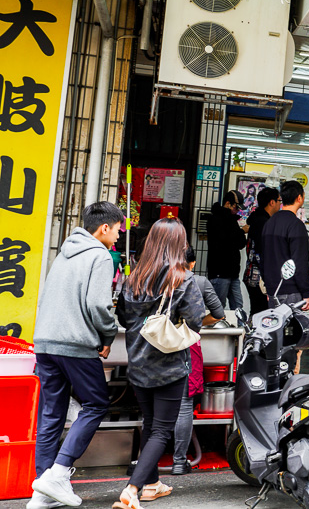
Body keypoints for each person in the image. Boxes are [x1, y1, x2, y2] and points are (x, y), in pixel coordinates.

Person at [30, 202, 123, 509]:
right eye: (118, 229)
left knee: (51, 414)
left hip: (45, 343)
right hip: (75, 344)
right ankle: (57, 475)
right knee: (96, 404)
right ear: (105, 228)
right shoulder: (100, 255)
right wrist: (108, 334)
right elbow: (98, 305)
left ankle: (42, 492)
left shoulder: (64, 252)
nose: (119, 236)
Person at [114, 218, 205, 509]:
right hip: (169, 365)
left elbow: (122, 317)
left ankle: (152, 485)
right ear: (179, 244)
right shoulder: (182, 278)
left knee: (151, 424)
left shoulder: (134, 277)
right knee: (162, 430)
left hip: (138, 362)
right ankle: (132, 489)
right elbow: (196, 320)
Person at [171, 245, 225, 476]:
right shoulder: (200, 282)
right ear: (192, 263)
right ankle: (178, 461)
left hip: (157, 346)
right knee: (184, 404)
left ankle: (148, 459)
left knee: (156, 403)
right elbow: (219, 313)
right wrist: (196, 324)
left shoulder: (157, 278)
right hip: (186, 344)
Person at [261, 180, 309, 311]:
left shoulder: (269, 223)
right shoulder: (296, 225)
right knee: (292, 324)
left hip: (273, 290)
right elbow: (299, 262)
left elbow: (263, 257)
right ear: (299, 198)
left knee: (275, 323)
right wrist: (306, 293)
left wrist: (269, 288)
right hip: (291, 291)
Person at [206, 189, 247, 310]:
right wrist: (242, 231)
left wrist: (239, 233)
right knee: (218, 308)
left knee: (238, 307)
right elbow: (231, 241)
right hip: (220, 272)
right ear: (228, 203)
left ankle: (237, 323)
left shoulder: (231, 219)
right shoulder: (216, 219)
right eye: (236, 207)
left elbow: (239, 243)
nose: (237, 211)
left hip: (232, 272)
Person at [243, 187, 280, 314]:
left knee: (258, 312)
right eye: (279, 201)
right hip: (260, 278)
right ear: (272, 202)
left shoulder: (257, 219)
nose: (280, 204)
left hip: (252, 274)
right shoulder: (264, 223)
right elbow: (264, 253)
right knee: (262, 314)